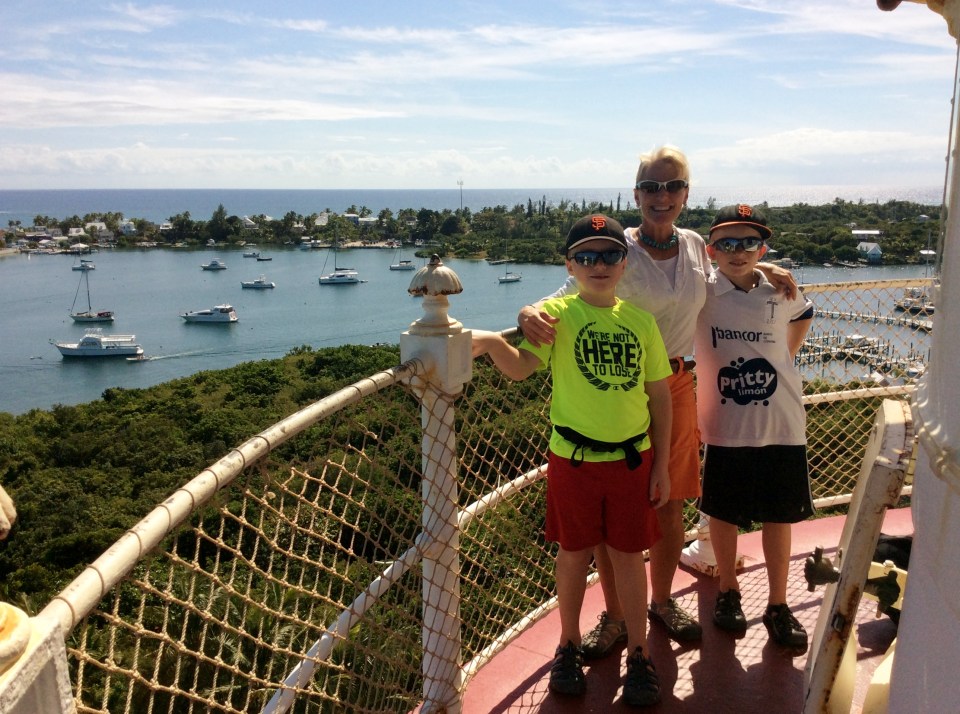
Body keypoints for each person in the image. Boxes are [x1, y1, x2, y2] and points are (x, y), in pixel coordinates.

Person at [520, 146, 797, 653]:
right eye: (651, 187)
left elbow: (730, 273)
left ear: (687, 194)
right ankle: (615, 615)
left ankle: (661, 600)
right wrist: (528, 311)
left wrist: (768, 269)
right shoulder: (616, 248)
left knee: (668, 501)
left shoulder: (695, 245)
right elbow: (570, 290)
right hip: (618, 390)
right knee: (611, 512)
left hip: (674, 383)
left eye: (672, 186)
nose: (661, 196)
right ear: (636, 194)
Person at [473, 214, 672, 707]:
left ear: (624, 264)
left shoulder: (641, 323)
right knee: (572, 555)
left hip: (631, 460)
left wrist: (663, 465)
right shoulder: (558, 315)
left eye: (608, 255)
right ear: (570, 265)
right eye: (586, 256)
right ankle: (568, 645)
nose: (598, 265)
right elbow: (521, 369)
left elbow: (660, 398)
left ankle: (640, 654)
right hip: (574, 459)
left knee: (630, 558)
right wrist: (491, 342)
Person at [695, 203, 815, 649]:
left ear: (762, 246)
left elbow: (804, 315)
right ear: (712, 249)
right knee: (724, 513)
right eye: (727, 242)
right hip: (725, 425)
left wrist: (783, 357)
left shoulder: (781, 291)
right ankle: (728, 590)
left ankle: (778, 604)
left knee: (778, 516)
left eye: (749, 242)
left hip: (781, 422)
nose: (738, 250)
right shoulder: (701, 291)